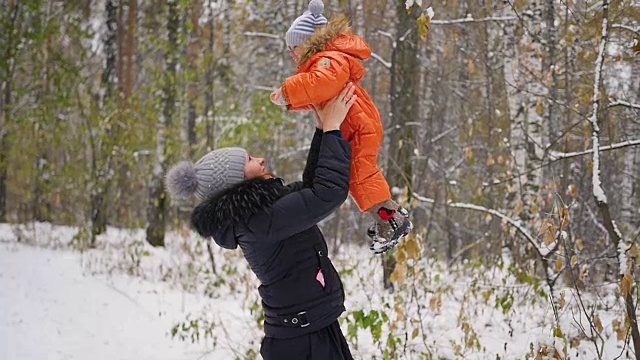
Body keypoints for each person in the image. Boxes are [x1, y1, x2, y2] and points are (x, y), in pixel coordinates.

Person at [165, 85, 358, 360]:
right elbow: (326, 194)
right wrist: (332, 129)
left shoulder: (261, 212)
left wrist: (321, 131)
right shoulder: (259, 222)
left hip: (310, 328)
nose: (261, 159)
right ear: (237, 182)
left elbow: (310, 188)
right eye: (250, 160)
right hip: (303, 339)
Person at [269, 0, 412, 254]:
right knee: (358, 176)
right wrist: (289, 100)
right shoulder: (325, 62)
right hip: (355, 127)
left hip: (359, 128)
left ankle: (391, 220)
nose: (291, 52)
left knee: (361, 176)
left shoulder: (328, 61)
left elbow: (320, 86)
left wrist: (288, 90)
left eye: (294, 46)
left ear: (310, 43)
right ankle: (387, 216)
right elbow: (317, 96)